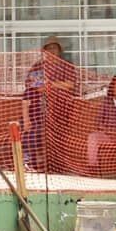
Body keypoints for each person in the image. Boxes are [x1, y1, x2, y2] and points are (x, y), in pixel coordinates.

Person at [20, 39, 76, 173]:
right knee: (29, 131)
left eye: (54, 48)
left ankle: (58, 168)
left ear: (59, 51)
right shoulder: (37, 66)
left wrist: (51, 85)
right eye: (48, 48)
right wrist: (39, 87)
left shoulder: (66, 66)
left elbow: (70, 85)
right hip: (37, 109)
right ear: (44, 50)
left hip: (60, 109)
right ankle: (29, 163)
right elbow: (29, 86)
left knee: (59, 138)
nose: (51, 51)